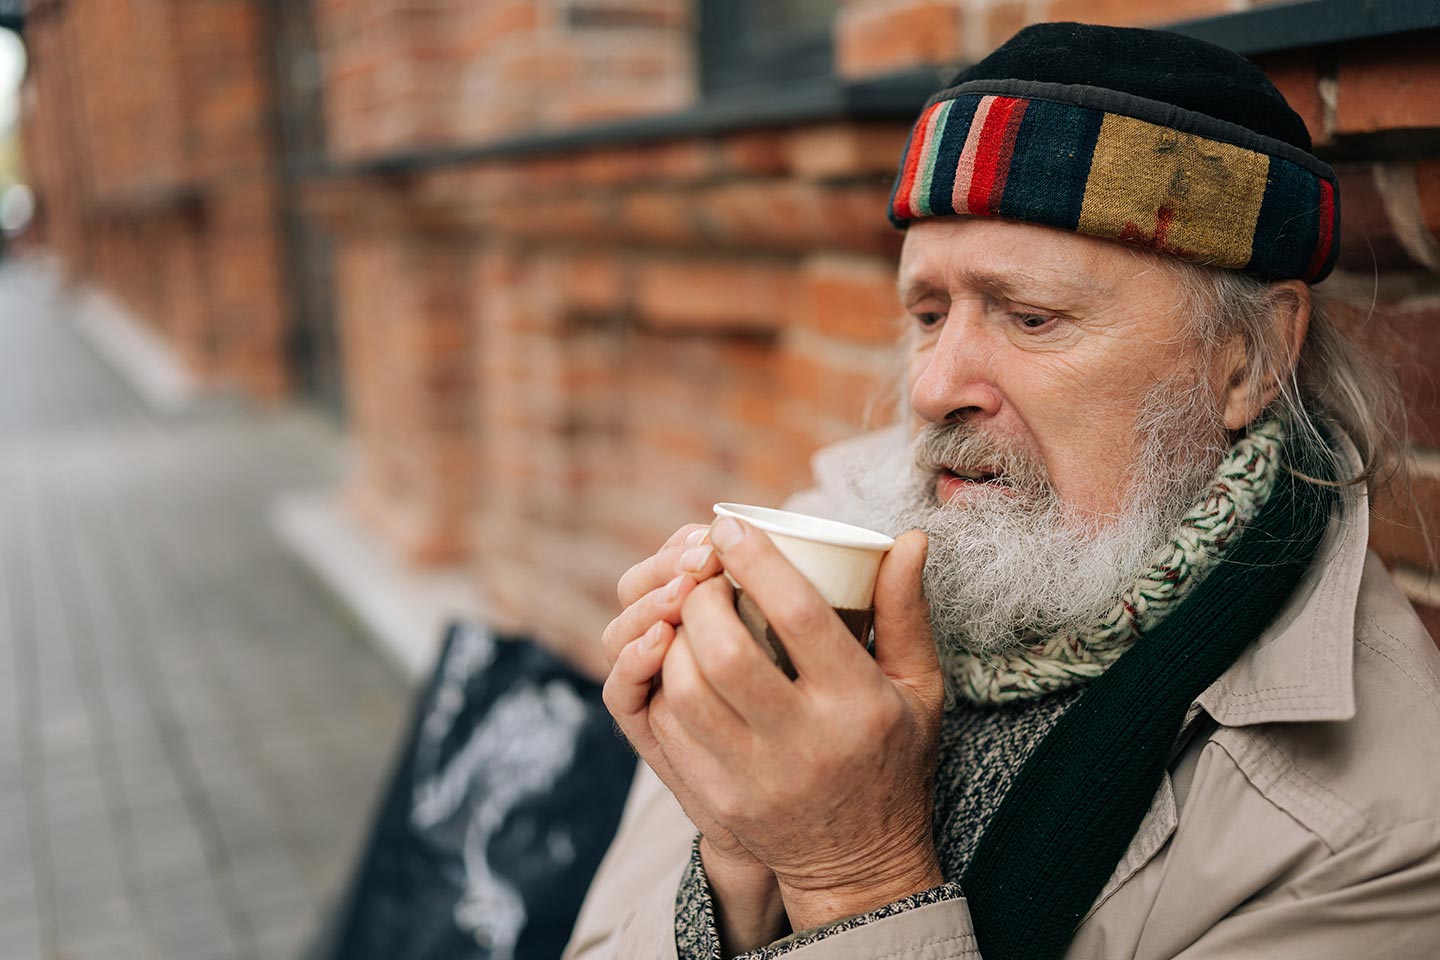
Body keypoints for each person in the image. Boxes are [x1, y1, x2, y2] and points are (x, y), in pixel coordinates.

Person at [564, 22, 1440, 960]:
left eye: (1031, 318)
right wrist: (738, 858)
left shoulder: (1378, 833)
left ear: (1249, 359)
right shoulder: (822, 552)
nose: (936, 387)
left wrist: (854, 874)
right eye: (929, 314)